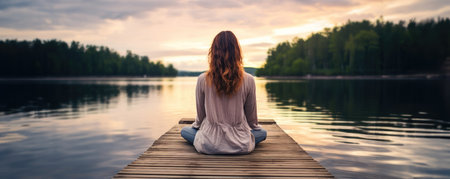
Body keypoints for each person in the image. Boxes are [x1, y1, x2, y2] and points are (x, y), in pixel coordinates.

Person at [180, 31, 267, 154]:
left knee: (184, 131)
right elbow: (252, 121)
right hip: (240, 144)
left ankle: (206, 141)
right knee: (263, 133)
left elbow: (200, 118)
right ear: (237, 52)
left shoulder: (202, 79)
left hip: (209, 144)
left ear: (213, 52)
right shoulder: (249, 80)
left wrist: (198, 129)